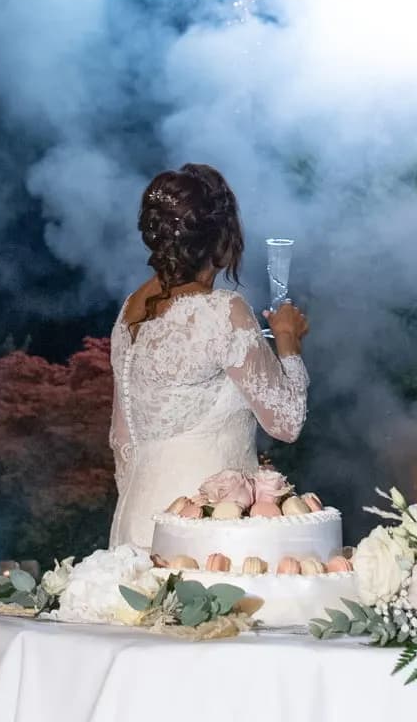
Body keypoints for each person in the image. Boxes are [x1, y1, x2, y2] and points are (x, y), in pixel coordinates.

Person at [108, 162, 309, 548]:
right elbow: (286, 422)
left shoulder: (128, 310)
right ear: (221, 241)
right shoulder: (222, 311)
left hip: (135, 515)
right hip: (209, 523)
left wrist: (141, 501)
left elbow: (121, 437)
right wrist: (287, 339)